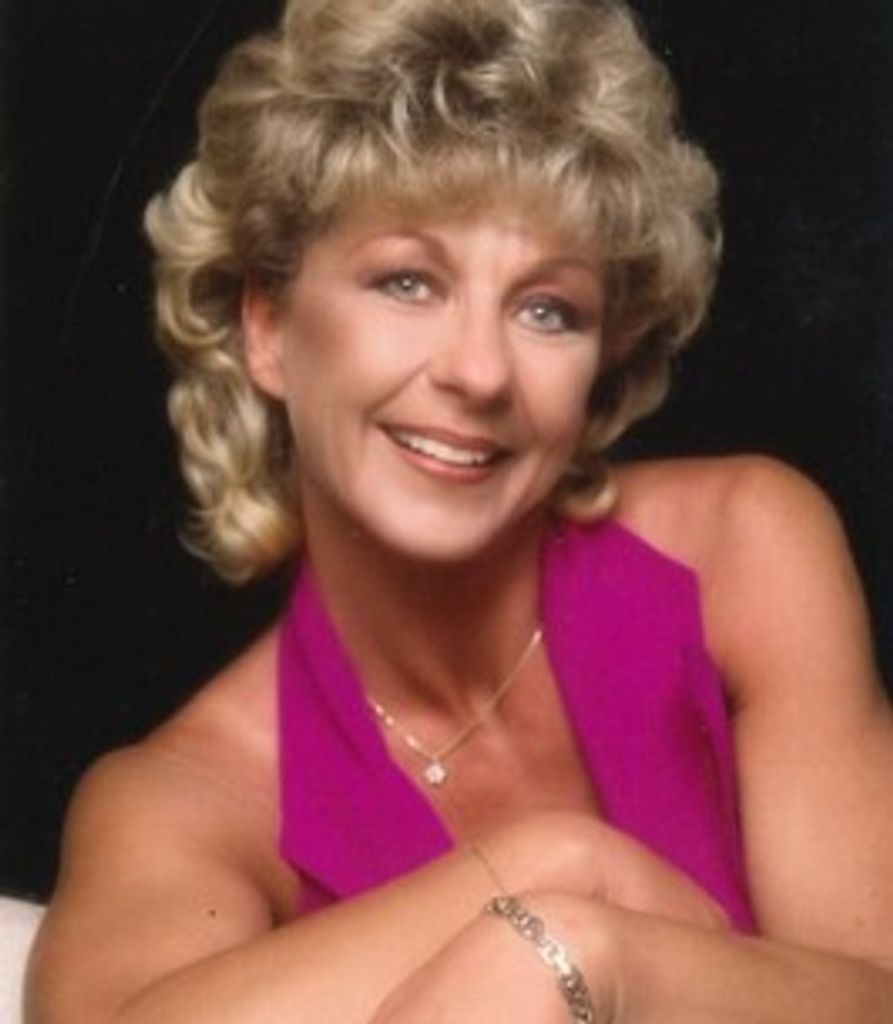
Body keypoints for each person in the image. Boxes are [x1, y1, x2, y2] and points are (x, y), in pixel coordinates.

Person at [27, 0, 893, 1020]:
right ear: (267, 327)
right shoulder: (190, 795)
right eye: (407, 282)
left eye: (546, 309)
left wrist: (593, 955)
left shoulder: (736, 554)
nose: (479, 371)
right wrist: (548, 865)